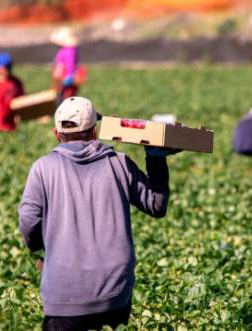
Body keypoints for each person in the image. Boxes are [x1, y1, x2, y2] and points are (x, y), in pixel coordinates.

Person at [18, 97, 178, 330]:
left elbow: (28, 222)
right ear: (94, 131)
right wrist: (155, 159)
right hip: (115, 293)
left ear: (56, 133)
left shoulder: (43, 168)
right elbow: (156, 205)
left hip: (64, 294)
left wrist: (43, 249)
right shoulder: (120, 164)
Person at [50, 27, 83, 105]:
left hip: (66, 80)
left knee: (65, 100)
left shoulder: (70, 50)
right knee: (59, 98)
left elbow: (70, 64)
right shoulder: (64, 49)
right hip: (61, 80)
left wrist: (69, 76)